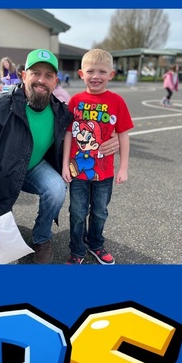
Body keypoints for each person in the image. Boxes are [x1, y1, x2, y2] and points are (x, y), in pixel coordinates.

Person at [0, 49, 118, 265]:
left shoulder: (62, 113)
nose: (41, 80)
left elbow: (89, 131)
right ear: (24, 75)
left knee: (56, 188)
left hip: (33, 167)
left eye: (48, 75)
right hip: (0, 174)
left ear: (56, 81)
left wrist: (116, 139)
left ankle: (42, 238)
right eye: (36, 73)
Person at [62, 48, 133, 266]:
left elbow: (123, 136)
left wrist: (123, 168)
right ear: (81, 74)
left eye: (102, 71)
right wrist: (65, 164)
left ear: (111, 75)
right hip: (78, 172)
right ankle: (76, 249)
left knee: (100, 212)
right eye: (90, 71)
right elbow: (67, 135)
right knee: (77, 212)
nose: (96, 76)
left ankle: (95, 244)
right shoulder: (75, 101)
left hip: (105, 174)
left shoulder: (117, 101)